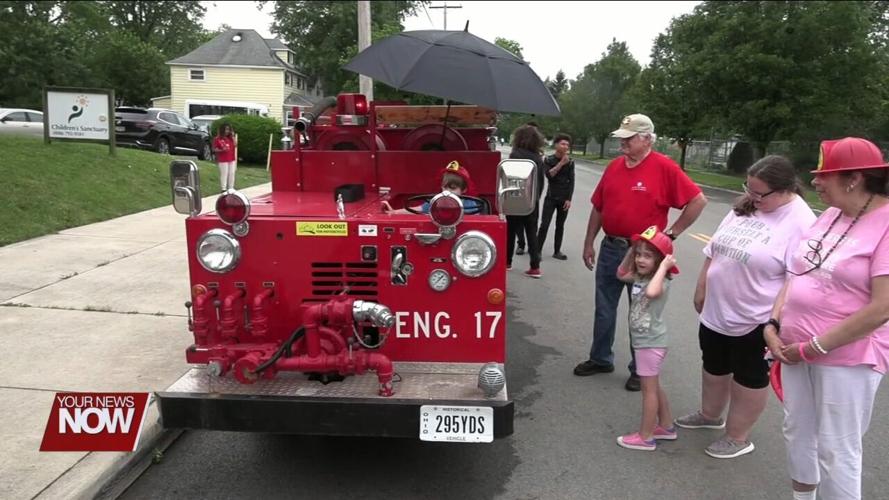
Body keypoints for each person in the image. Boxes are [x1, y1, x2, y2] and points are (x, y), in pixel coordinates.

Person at [765, 137, 889, 500]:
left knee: (837, 448)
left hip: (847, 358)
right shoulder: (831, 216)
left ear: (854, 178)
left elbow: (882, 307)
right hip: (793, 348)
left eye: (825, 176)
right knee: (797, 432)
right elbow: (798, 273)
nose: (815, 182)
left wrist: (814, 347)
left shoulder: (885, 224)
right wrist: (773, 325)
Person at [675, 156, 816, 459]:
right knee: (714, 365)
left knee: (748, 375)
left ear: (784, 189)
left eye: (758, 193)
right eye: (748, 188)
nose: (751, 197)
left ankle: (738, 436)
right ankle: (710, 415)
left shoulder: (801, 221)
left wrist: (775, 323)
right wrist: (702, 286)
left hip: (756, 316)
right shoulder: (748, 205)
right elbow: (715, 248)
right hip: (718, 308)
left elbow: (796, 279)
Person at [574, 114, 707, 392]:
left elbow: (697, 200)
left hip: (644, 254)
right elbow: (599, 206)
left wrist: (671, 234)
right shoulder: (613, 167)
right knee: (604, 308)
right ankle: (600, 358)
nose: (623, 142)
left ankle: (640, 369)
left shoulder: (664, 168)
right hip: (612, 247)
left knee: (642, 312)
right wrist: (589, 242)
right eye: (621, 137)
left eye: (629, 137)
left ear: (647, 139)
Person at [615, 226, 679, 451]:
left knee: (648, 390)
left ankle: (646, 436)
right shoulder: (641, 277)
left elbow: (652, 293)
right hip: (645, 343)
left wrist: (663, 267)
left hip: (651, 343)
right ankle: (667, 427)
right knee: (654, 385)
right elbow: (621, 274)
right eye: (639, 254)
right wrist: (631, 250)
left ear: (660, 260)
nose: (641, 259)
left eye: (648, 256)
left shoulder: (660, 281)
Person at [506, 124, 545, 278]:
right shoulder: (538, 158)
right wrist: (535, 199)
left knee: (511, 232)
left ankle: (507, 262)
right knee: (531, 233)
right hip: (531, 200)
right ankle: (535, 267)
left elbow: (510, 178)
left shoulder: (515, 154)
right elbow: (540, 183)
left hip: (515, 199)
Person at [382, 160, 481, 214]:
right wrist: (394, 212)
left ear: (464, 189)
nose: (447, 192)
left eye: (453, 188)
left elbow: (478, 223)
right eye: (445, 187)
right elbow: (418, 209)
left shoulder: (471, 204)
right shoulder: (436, 201)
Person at [537, 133, 575, 260]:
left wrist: (569, 199)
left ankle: (557, 251)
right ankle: (537, 251)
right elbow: (549, 175)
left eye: (567, 145)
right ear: (556, 145)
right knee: (544, 225)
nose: (565, 147)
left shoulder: (570, 162)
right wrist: (560, 164)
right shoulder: (548, 160)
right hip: (551, 197)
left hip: (564, 198)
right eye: (563, 144)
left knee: (560, 225)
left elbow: (572, 181)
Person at [212, 123, 237, 191]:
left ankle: (231, 187)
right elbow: (214, 149)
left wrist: (233, 136)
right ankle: (223, 188)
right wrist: (221, 150)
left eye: (228, 129)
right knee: (224, 174)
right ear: (222, 130)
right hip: (223, 159)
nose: (227, 131)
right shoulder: (217, 139)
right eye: (226, 129)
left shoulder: (230, 138)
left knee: (232, 173)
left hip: (231, 158)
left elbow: (235, 144)